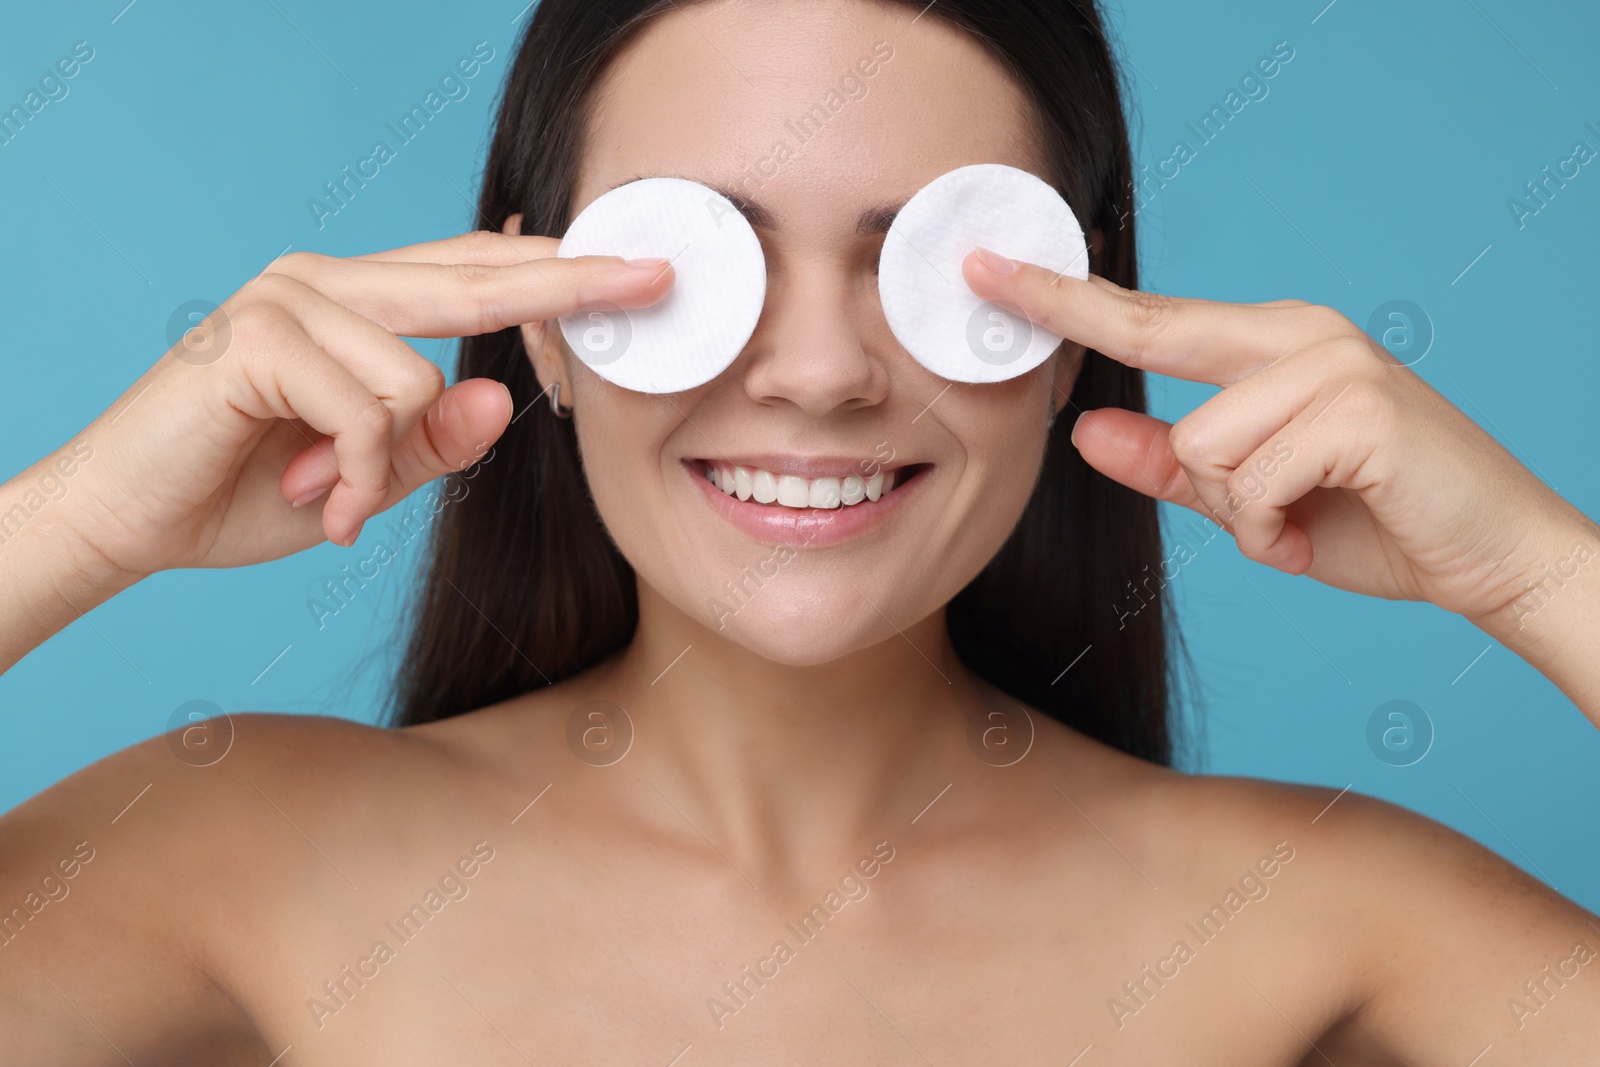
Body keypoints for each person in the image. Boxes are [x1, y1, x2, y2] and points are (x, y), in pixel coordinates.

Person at [3, 0, 1598, 1061]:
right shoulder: (231, 854)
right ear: (536, 323)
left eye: (934, 267)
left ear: (1070, 331)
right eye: (700, 266)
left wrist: (1541, 570)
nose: (823, 374)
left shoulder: (1318, 918)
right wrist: (73, 523)